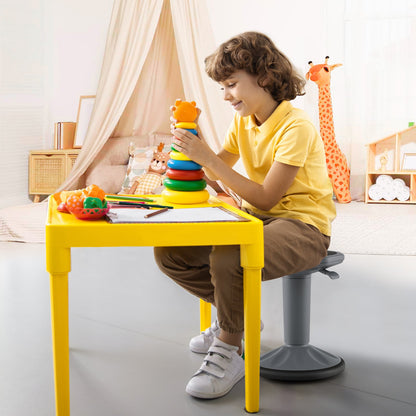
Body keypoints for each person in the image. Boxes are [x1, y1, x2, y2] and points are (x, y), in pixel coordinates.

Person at [154, 31, 336, 399]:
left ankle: (230, 344)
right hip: (255, 220)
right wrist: (190, 145)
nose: (226, 96)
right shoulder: (244, 122)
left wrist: (205, 158)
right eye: (222, 87)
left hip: (303, 226)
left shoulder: (295, 127)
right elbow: (215, 171)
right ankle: (238, 317)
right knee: (170, 252)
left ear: (265, 77)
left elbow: (267, 198)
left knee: (230, 254)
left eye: (232, 85)